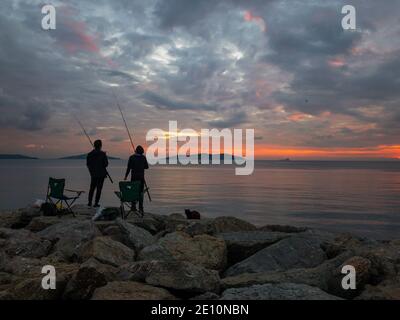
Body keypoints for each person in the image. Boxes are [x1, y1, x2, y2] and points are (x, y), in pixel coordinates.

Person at [124, 145, 149, 214]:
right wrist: (141, 166)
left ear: (136, 151)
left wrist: (126, 176)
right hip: (141, 178)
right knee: (141, 193)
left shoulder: (131, 157)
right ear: (142, 152)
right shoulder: (143, 158)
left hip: (133, 178)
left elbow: (129, 168)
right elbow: (146, 167)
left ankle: (133, 206)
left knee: (133, 191)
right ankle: (141, 208)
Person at [86, 139, 108, 207]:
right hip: (101, 175)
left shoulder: (89, 154)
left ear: (94, 145)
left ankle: (89, 202)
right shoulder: (103, 154)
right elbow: (106, 164)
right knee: (99, 189)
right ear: (100, 146)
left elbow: (88, 164)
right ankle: (96, 203)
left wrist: (91, 171)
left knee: (92, 188)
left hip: (93, 174)